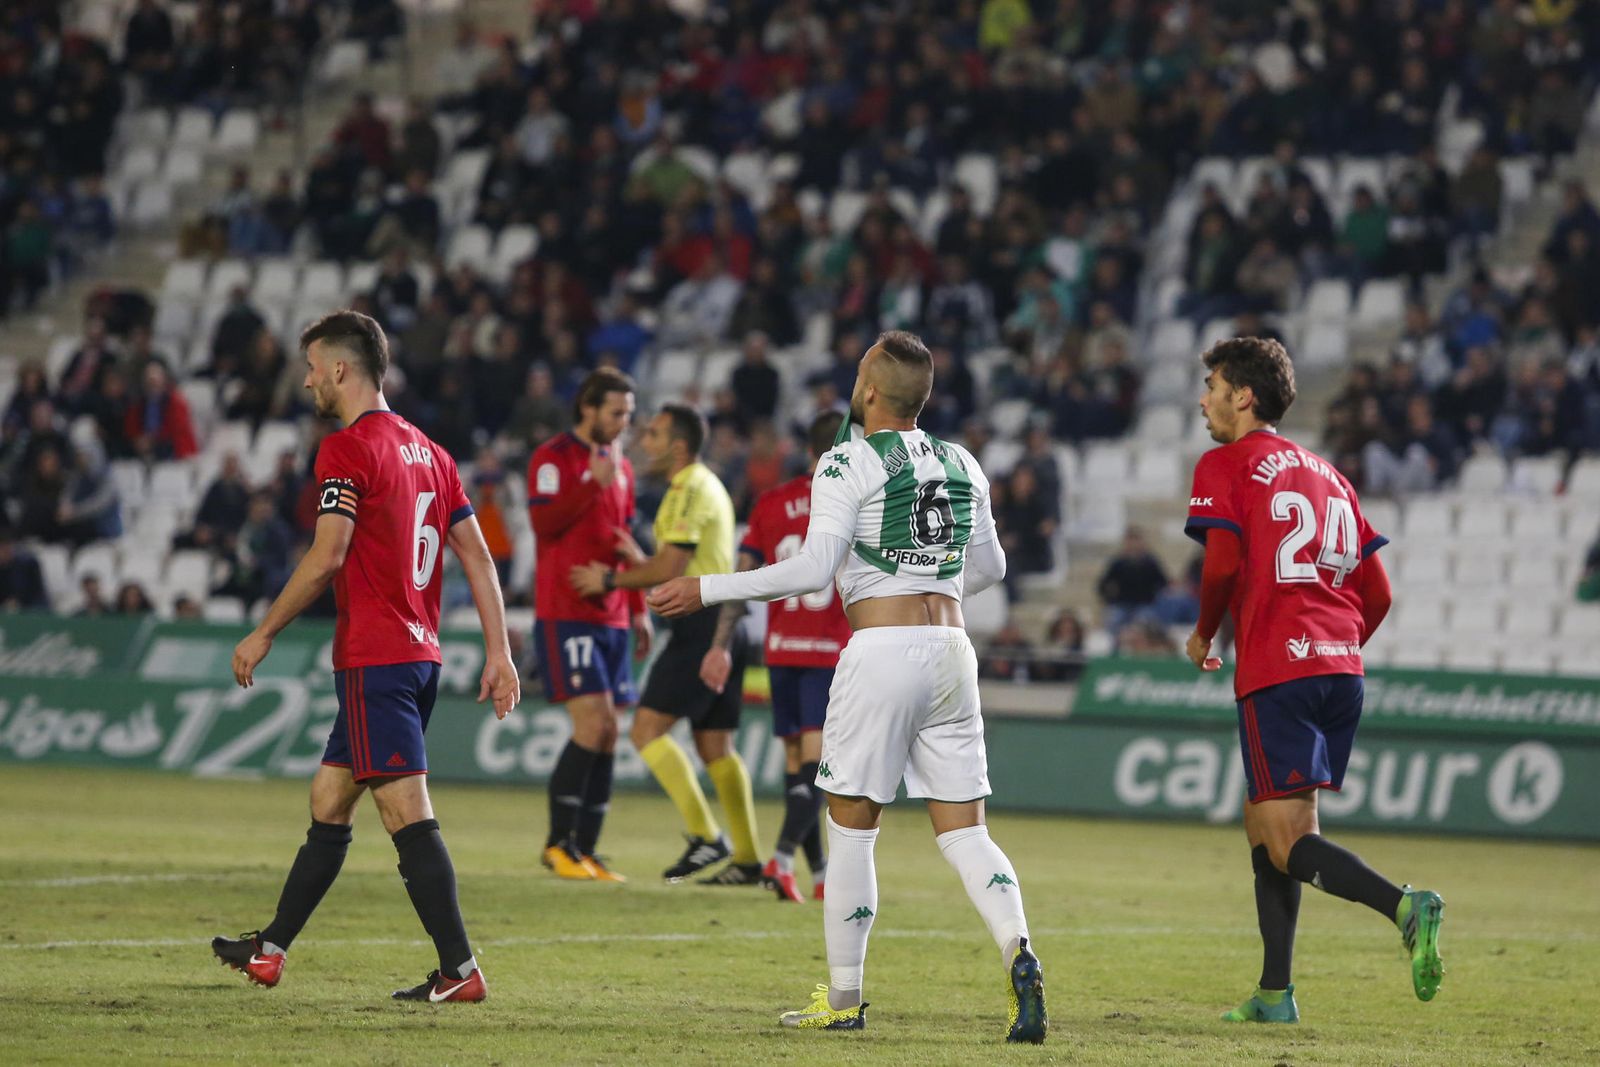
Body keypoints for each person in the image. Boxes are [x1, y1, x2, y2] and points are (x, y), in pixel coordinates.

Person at [649, 330, 1048, 1043]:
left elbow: (810, 569)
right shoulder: (963, 460)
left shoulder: (846, 461)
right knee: (966, 832)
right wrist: (928, 577)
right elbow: (989, 570)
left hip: (883, 650)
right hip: (954, 649)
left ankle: (844, 995)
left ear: (869, 391)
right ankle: (1020, 949)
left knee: (852, 830)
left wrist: (706, 586)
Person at [213, 311, 521, 1004]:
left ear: (343, 370)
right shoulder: (433, 453)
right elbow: (476, 555)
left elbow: (328, 555)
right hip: (420, 656)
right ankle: (271, 949)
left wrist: (263, 631)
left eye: (314, 367)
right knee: (330, 798)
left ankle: (460, 968)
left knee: (405, 811)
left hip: (376, 656)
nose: (309, 379)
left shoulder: (346, 449)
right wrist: (498, 651)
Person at [1183, 336, 1444, 1024]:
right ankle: (1275, 993)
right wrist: (1334, 644)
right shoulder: (1329, 473)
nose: (1203, 397)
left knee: (1286, 838)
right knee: (1266, 823)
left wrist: (1206, 632)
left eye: (1212, 384)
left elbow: (1220, 569)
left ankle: (1403, 904)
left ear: (1244, 395)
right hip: (1340, 670)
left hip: (1278, 669)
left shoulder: (1225, 461)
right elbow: (1378, 591)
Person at [569, 404, 762, 885]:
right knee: (715, 744)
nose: (645, 441)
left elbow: (671, 570)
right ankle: (748, 859)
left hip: (703, 624)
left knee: (645, 731)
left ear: (677, 445)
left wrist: (612, 578)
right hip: (727, 621)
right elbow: (678, 559)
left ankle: (705, 837)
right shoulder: (707, 484)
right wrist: (643, 560)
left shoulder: (688, 487)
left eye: (653, 434)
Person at [702, 411, 850, 903]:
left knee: (795, 765)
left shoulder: (769, 503)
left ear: (807, 450)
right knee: (818, 766)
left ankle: (820, 874)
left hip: (782, 650)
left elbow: (743, 577)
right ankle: (782, 858)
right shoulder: (854, 501)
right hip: (829, 652)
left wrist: (720, 643)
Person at [526, 368, 652, 882]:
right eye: (616, 413)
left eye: (628, 414)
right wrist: (586, 485)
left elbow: (621, 539)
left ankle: (586, 851)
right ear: (588, 409)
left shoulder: (621, 469)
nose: (624, 424)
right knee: (593, 725)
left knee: (609, 733)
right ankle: (558, 845)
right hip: (566, 612)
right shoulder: (553, 459)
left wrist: (638, 605)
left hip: (613, 613)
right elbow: (543, 525)